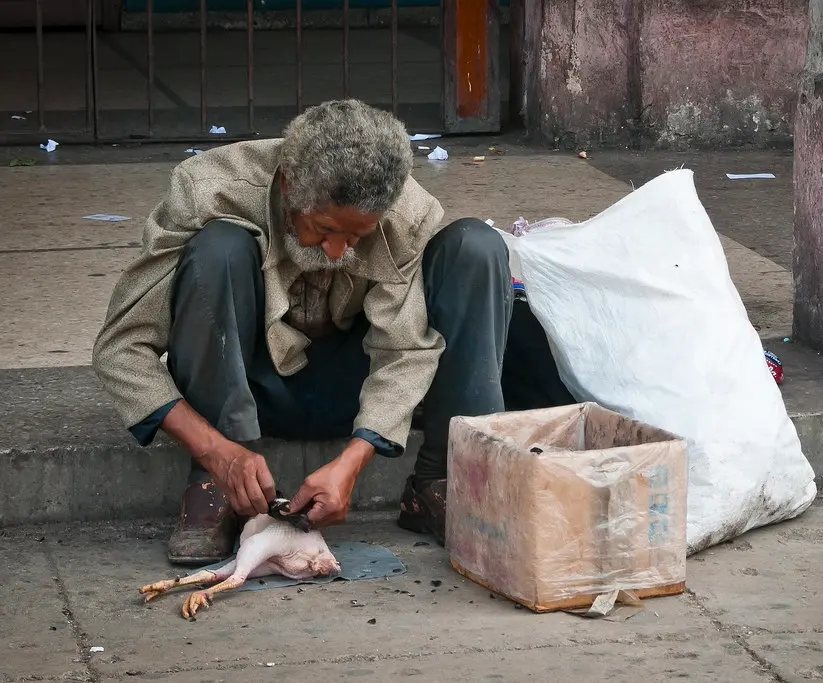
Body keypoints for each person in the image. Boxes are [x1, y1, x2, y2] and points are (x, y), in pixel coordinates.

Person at [91, 99, 574, 565]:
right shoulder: (207, 190)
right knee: (218, 248)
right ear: (288, 189)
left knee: (477, 246)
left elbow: (404, 350)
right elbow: (122, 349)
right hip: (251, 386)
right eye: (324, 228)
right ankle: (215, 483)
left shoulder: (406, 213)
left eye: (357, 236)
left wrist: (353, 463)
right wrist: (217, 451)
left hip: (351, 383)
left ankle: (443, 481)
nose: (339, 250)